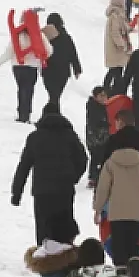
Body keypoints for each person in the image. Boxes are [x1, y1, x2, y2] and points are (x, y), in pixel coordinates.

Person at [93, 114, 139, 277]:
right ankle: (136, 275)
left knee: (119, 244)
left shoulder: (111, 162)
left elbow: (103, 187)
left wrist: (98, 208)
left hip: (117, 209)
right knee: (134, 243)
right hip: (137, 210)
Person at [11, 104, 89, 243]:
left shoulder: (35, 137)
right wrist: (73, 178)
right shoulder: (69, 135)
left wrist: (16, 192)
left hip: (42, 191)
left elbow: (24, 166)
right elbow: (83, 159)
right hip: (64, 190)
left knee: (43, 227)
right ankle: (64, 258)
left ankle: (44, 257)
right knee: (64, 227)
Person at [40, 14, 83, 110]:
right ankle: (54, 113)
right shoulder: (66, 37)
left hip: (48, 71)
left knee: (53, 96)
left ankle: (53, 113)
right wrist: (77, 68)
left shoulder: (43, 36)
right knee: (55, 96)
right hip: (62, 72)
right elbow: (73, 53)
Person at [101, 0, 132, 94]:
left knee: (116, 69)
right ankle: (112, 90)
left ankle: (112, 89)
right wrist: (121, 44)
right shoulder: (115, 16)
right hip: (116, 48)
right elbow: (115, 32)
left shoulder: (118, 15)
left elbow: (122, 28)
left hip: (117, 48)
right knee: (115, 70)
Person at [83, 86, 112, 185]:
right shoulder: (93, 107)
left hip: (101, 136)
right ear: (96, 97)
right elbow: (94, 123)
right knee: (96, 156)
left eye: (105, 95)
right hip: (95, 138)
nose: (104, 98)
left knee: (100, 157)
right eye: (101, 95)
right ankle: (94, 177)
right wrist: (104, 125)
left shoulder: (103, 107)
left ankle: (97, 176)